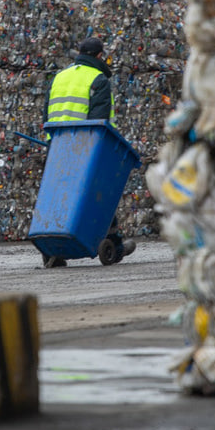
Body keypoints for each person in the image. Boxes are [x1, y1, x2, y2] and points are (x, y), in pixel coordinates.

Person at [41, 37, 135, 267]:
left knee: (59, 196)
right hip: (85, 147)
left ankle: (53, 248)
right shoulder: (98, 79)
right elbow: (99, 120)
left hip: (57, 146)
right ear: (99, 56)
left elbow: (46, 115)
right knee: (99, 193)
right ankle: (115, 244)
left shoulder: (59, 77)